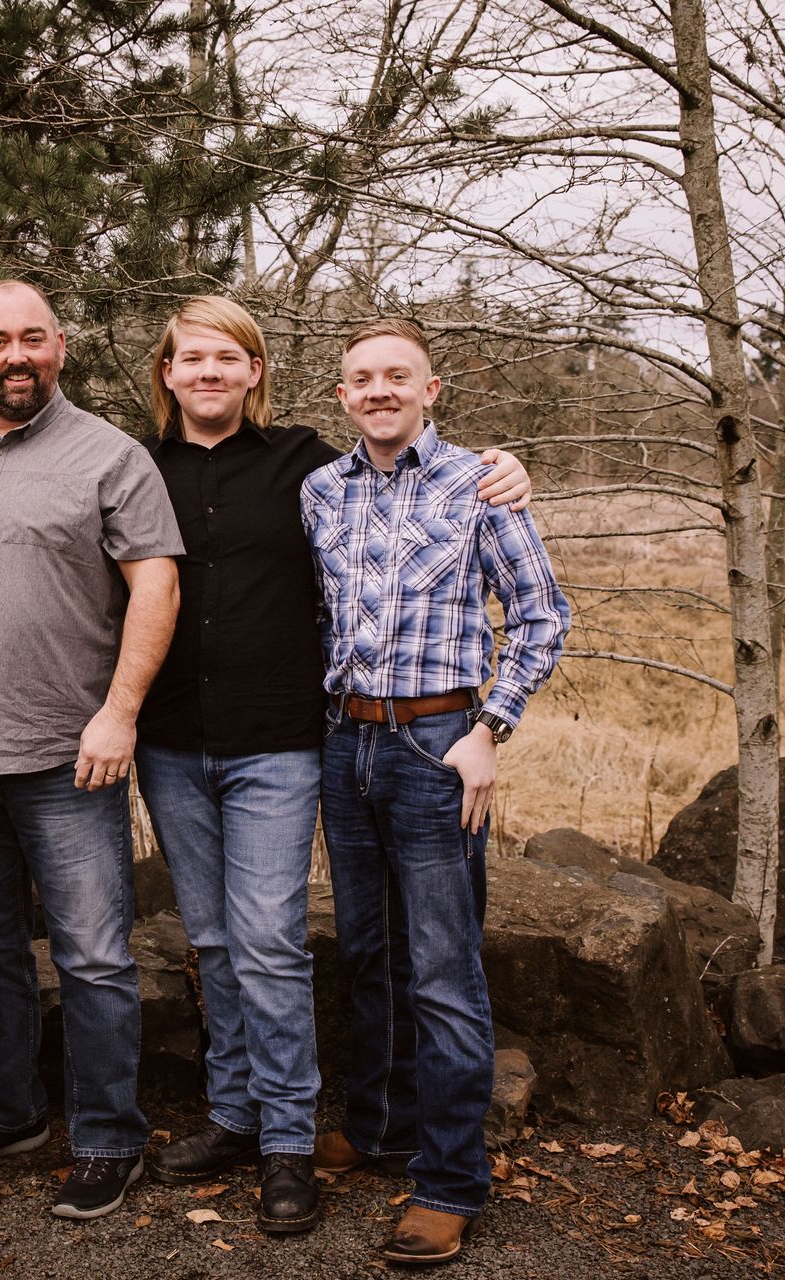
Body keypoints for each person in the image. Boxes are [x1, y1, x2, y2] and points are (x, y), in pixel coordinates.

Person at [136, 297, 531, 1236]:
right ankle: (276, 1119)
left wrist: (506, 469)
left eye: (228, 357)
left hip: (307, 742)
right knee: (263, 945)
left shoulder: (308, 465)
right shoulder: (151, 470)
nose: (209, 372)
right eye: (192, 358)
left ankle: (343, 1154)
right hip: (227, 743)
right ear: (168, 373)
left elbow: (532, 602)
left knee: (300, 947)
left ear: (256, 372)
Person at [300, 318, 568, 1267]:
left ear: (430, 389)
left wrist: (488, 731)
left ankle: (451, 1180)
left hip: (437, 745)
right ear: (342, 395)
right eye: (361, 378)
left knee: (443, 972)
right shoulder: (321, 492)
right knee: (368, 952)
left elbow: (541, 615)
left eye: (396, 376)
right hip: (347, 745)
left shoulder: (479, 484)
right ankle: (379, 1128)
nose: (378, 390)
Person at [0, 280, 183, 1220]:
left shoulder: (111, 457)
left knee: (96, 956)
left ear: (60, 346)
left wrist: (120, 713)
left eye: (33, 338)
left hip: (71, 758)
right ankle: (11, 1108)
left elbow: (156, 590)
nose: (15, 355)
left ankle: (110, 1135)